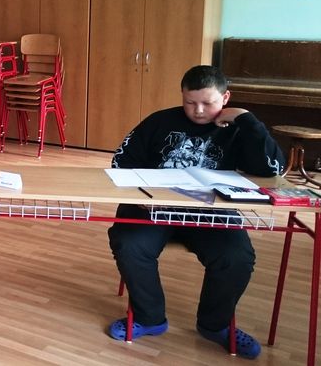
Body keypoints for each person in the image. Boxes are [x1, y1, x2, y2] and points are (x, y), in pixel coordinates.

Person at [107, 65, 285, 359]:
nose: (198, 110)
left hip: (212, 209)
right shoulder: (159, 121)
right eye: (190, 102)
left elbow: (271, 170)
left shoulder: (239, 128)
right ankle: (149, 318)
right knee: (129, 243)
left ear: (225, 97)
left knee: (236, 256)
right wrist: (140, 197)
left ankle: (215, 325)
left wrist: (246, 119)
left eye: (208, 103)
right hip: (153, 206)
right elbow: (121, 162)